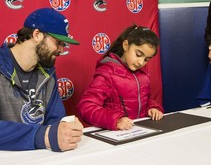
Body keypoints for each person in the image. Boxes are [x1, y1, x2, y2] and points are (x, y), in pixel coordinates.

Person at [0, 8, 84, 152]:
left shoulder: (48, 73)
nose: (61, 50)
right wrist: (42, 136)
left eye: (64, 44)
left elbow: (55, 120)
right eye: (58, 42)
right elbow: (46, 135)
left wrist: (65, 129)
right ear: (37, 34)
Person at [77, 24, 164, 131]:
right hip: (115, 135)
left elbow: (145, 99)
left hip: (139, 132)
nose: (141, 62)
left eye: (146, 59)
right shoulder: (108, 72)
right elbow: (86, 107)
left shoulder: (143, 73)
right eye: (138, 54)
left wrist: (152, 108)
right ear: (126, 45)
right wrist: (115, 120)